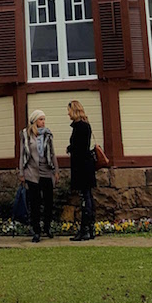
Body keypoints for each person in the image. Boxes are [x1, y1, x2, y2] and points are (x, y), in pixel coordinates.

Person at [19, 109, 59, 242]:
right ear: (35, 121)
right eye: (41, 119)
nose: (43, 122)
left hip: (46, 171)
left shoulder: (48, 134)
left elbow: (52, 153)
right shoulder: (26, 134)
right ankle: (36, 231)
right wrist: (21, 173)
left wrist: (56, 171)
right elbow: (22, 155)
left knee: (48, 202)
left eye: (44, 119)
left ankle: (47, 227)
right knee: (34, 203)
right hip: (32, 171)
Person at [67, 99, 97, 241]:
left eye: (69, 110)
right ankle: (90, 228)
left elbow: (78, 148)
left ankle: (85, 229)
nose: (68, 114)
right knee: (88, 196)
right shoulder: (86, 125)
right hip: (87, 165)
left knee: (85, 197)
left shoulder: (79, 127)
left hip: (82, 166)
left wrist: (70, 148)